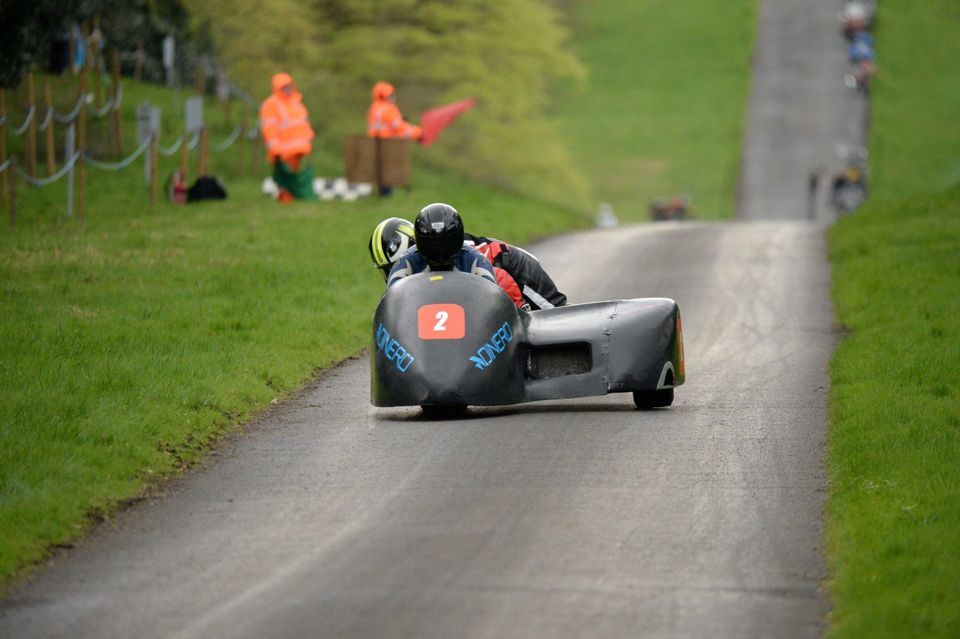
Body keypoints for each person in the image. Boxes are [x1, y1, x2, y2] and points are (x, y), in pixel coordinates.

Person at [368, 211, 567, 310]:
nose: (390, 274)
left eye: (392, 267)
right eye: (386, 270)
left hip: (509, 267)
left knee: (558, 318)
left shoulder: (446, 249)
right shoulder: (418, 263)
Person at [384, 204, 497, 289]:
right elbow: (392, 302)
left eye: (446, 243)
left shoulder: (476, 261)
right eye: (432, 243)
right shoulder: (405, 263)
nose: (440, 252)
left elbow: (491, 298)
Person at [260, 73, 317, 202]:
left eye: (289, 86)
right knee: (283, 176)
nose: (287, 89)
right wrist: (275, 149)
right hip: (283, 150)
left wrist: (309, 137)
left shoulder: (296, 102)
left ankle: (294, 196)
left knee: (295, 175)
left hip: (299, 149)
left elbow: (303, 123)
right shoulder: (271, 104)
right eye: (284, 87)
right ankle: (285, 198)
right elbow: (269, 128)